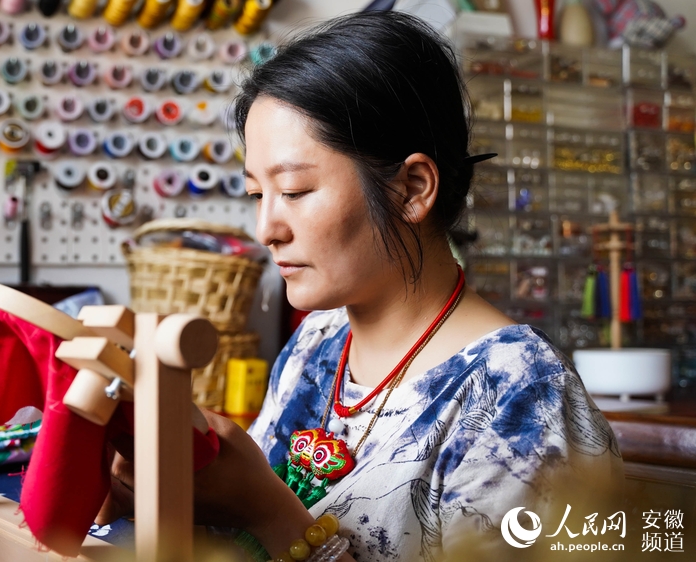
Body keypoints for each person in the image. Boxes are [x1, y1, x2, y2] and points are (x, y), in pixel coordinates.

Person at [97, 11, 625, 562]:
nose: (266, 229)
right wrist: (166, 493)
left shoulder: (520, 397)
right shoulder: (316, 345)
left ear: (412, 189)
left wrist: (270, 515)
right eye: (258, 195)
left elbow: (264, 517)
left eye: (296, 190)